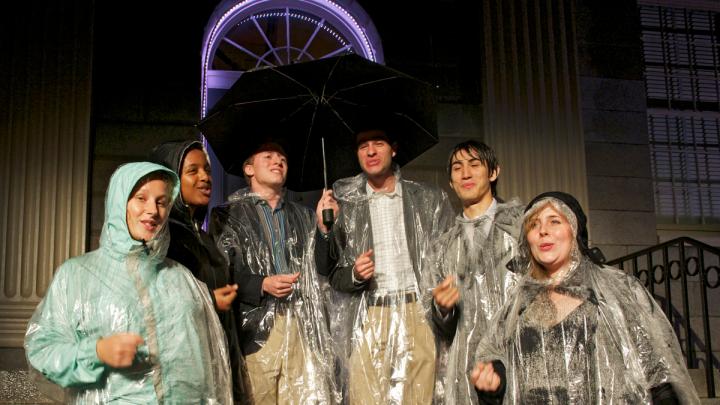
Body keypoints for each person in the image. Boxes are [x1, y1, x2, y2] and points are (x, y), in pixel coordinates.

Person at [24, 162, 232, 404]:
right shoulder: (77, 275)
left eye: (161, 202)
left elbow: (210, 366)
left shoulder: (182, 278)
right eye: (141, 198)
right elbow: (43, 349)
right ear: (118, 203)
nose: (152, 210)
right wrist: (97, 351)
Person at [471, 191, 700, 404]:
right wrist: (493, 383)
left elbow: (657, 372)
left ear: (575, 230)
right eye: (534, 224)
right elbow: (496, 360)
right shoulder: (518, 305)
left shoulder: (618, 291)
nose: (543, 231)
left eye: (554, 221)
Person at [326, 129, 454, 404]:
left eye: (378, 144)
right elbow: (331, 273)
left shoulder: (426, 199)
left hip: (415, 312)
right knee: (364, 395)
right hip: (369, 315)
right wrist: (355, 274)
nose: (370, 152)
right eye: (363, 146)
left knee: (418, 397)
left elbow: (448, 260)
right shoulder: (346, 205)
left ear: (393, 149)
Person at [209, 142, 339, 404]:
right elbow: (222, 272)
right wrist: (262, 284)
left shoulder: (303, 216)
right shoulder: (228, 215)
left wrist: (325, 230)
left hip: (302, 329)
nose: (277, 161)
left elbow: (324, 269)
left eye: (282, 158)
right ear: (249, 168)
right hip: (257, 332)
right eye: (267, 156)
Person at [149, 139, 246, 401]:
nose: (205, 177)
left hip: (215, 367)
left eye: (207, 170)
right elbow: (157, 307)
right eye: (193, 171)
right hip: (182, 374)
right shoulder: (163, 240)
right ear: (170, 179)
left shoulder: (204, 239)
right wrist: (209, 301)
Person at [430, 140, 524, 404]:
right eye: (457, 168)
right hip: (465, 367)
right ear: (450, 181)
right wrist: (442, 308)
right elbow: (441, 329)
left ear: (493, 172)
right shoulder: (443, 247)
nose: (466, 174)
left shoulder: (522, 228)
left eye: (474, 165)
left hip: (516, 357)